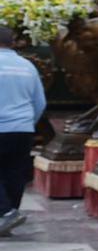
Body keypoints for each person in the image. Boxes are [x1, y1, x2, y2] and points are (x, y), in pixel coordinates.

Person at [0, 24, 47, 237]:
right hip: (23, 128)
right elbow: (40, 101)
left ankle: (6, 212)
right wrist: (28, 122)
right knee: (14, 172)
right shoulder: (27, 66)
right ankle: (9, 215)